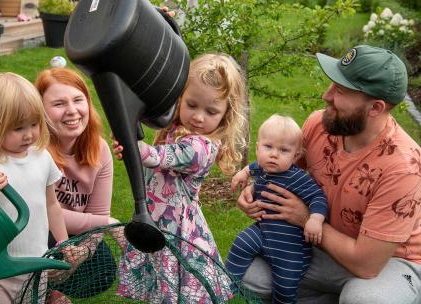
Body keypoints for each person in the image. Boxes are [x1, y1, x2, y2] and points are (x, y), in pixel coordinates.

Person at [237, 45, 421, 304]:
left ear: (375, 108)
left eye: (341, 91)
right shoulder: (319, 125)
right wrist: (257, 192)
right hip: (324, 246)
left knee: (366, 299)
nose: (326, 95)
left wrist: (304, 219)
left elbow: (367, 264)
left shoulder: (403, 167)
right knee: (250, 274)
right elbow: (286, 177)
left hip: (387, 263)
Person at [114, 53, 247, 303]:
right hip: (154, 220)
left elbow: (162, 156)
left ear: (225, 115)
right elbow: (146, 93)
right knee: (158, 289)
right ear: (180, 97)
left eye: (211, 111)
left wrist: (139, 150)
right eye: (192, 104)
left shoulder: (202, 148)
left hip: (179, 233)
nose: (198, 116)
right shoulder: (173, 128)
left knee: (174, 292)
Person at [0, 72, 75, 304]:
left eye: (34, 124)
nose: (29, 135)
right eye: (18, 128)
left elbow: (51, 204)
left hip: (35, 260)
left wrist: (64, 242)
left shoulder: (42, 157)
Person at [225, 114, 328, 304]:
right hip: (263, 232)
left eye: (283, 150)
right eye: (268, 147)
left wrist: (314, 219)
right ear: (257, 147)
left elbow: (318, 197)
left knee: (285, 287)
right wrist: (243, 172)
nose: (274, 154)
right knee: (241, 242)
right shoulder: (265, 168)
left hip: (290, 246)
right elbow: (254, 167)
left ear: (296, 156)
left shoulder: (296, 178)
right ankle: (224, 285)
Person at [34, 68, 120, 236]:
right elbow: (40, 212)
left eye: (78, 100)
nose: (72, 110)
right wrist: (106, 223)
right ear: (40, 110)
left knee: (105, 262)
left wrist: (85, 251)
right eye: (59, 103)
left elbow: (99, 214)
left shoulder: (99, 149)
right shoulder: (34, 151)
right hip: (41, 235)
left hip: (84, 235)